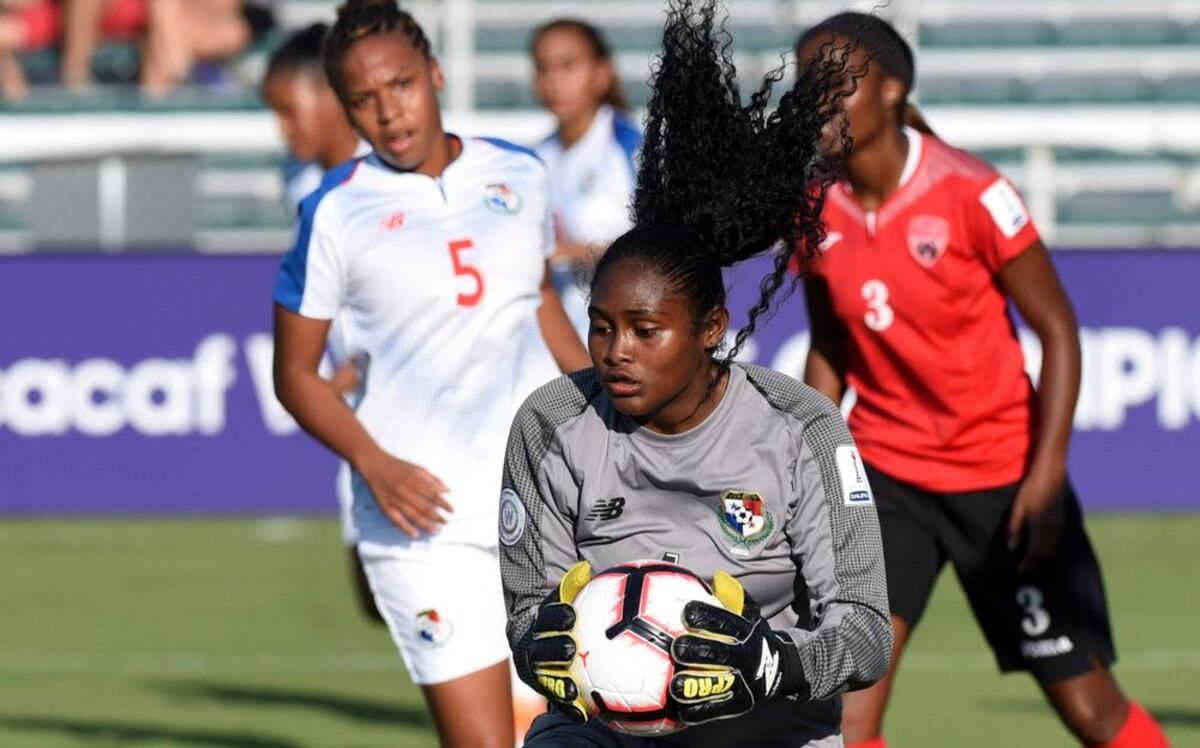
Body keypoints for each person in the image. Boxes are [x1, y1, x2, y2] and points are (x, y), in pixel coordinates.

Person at [499, 2, 890, 746]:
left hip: (770, 727)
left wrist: (773, 664)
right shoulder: (549, 424)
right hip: (604, 732)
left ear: (712, 329)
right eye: (604, 327)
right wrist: (541, 648)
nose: (616, 351)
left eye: (647, 332)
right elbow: (527, 614)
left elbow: (867, 631)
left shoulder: (800, 426)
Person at [795, 13, 1170, 748]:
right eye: (808, 82)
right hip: (889, 480)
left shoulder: (971, 191)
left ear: (893, 90)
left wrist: (1045, 476)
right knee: (848, 712)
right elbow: (830, 344)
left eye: (837, 81)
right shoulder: (813, 207)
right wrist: (805, 459)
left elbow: (1058, 330)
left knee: (1091, 712)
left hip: (1001, 484)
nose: (818, 98)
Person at [271, 2, 588, 746]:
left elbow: (538, 302)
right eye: (364, 100)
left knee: (562, 732)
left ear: (436, 73)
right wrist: (373, 464)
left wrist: (606, 409)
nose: (388, 111)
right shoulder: (334, 212)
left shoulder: (519, 171)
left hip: (534, 504)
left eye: (403, 85)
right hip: (420, 524)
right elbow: (296, 374)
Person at [263, 21, 381, 625]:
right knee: (375, 591)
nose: (282, 129)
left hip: (413, 407)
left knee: (422, 585)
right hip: (355, 404)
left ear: (333, 96)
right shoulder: (304, 185)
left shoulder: (393, 180)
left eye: (289, 109)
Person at [530, 18, 641, 339]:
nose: (553, 80)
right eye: (542, 67)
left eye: (568, 66)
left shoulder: (631, 148)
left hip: (623, 338)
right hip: (557, 340)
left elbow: (667, 245)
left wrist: (572, 251)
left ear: (602, 73)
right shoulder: (534, 159)